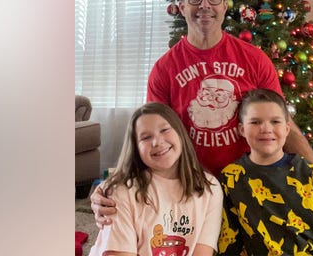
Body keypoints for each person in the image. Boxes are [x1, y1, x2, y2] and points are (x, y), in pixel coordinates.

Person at [90, 0, 313, 239]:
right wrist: (113, 185)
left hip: (253, 185)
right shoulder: (164, 69)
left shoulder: (255, 60)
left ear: (225, 5)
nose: (204, 5)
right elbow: (149, 138)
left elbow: (285, 127)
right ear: (182, 7)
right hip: (191, 188)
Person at [217, 89, 313, 255]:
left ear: (287, 129)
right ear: (242, 130)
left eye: (275, 122)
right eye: (255, 122)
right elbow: (229, 238)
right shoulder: (231, 176)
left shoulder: (309, 173)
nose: (266, 129)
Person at [88, 102, 223, 256]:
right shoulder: (121, 191)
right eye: (146, 137)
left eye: (164, 130)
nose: (157, 142)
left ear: (180, 133)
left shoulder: (210, 187)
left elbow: (202, 252)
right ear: (136, 149)